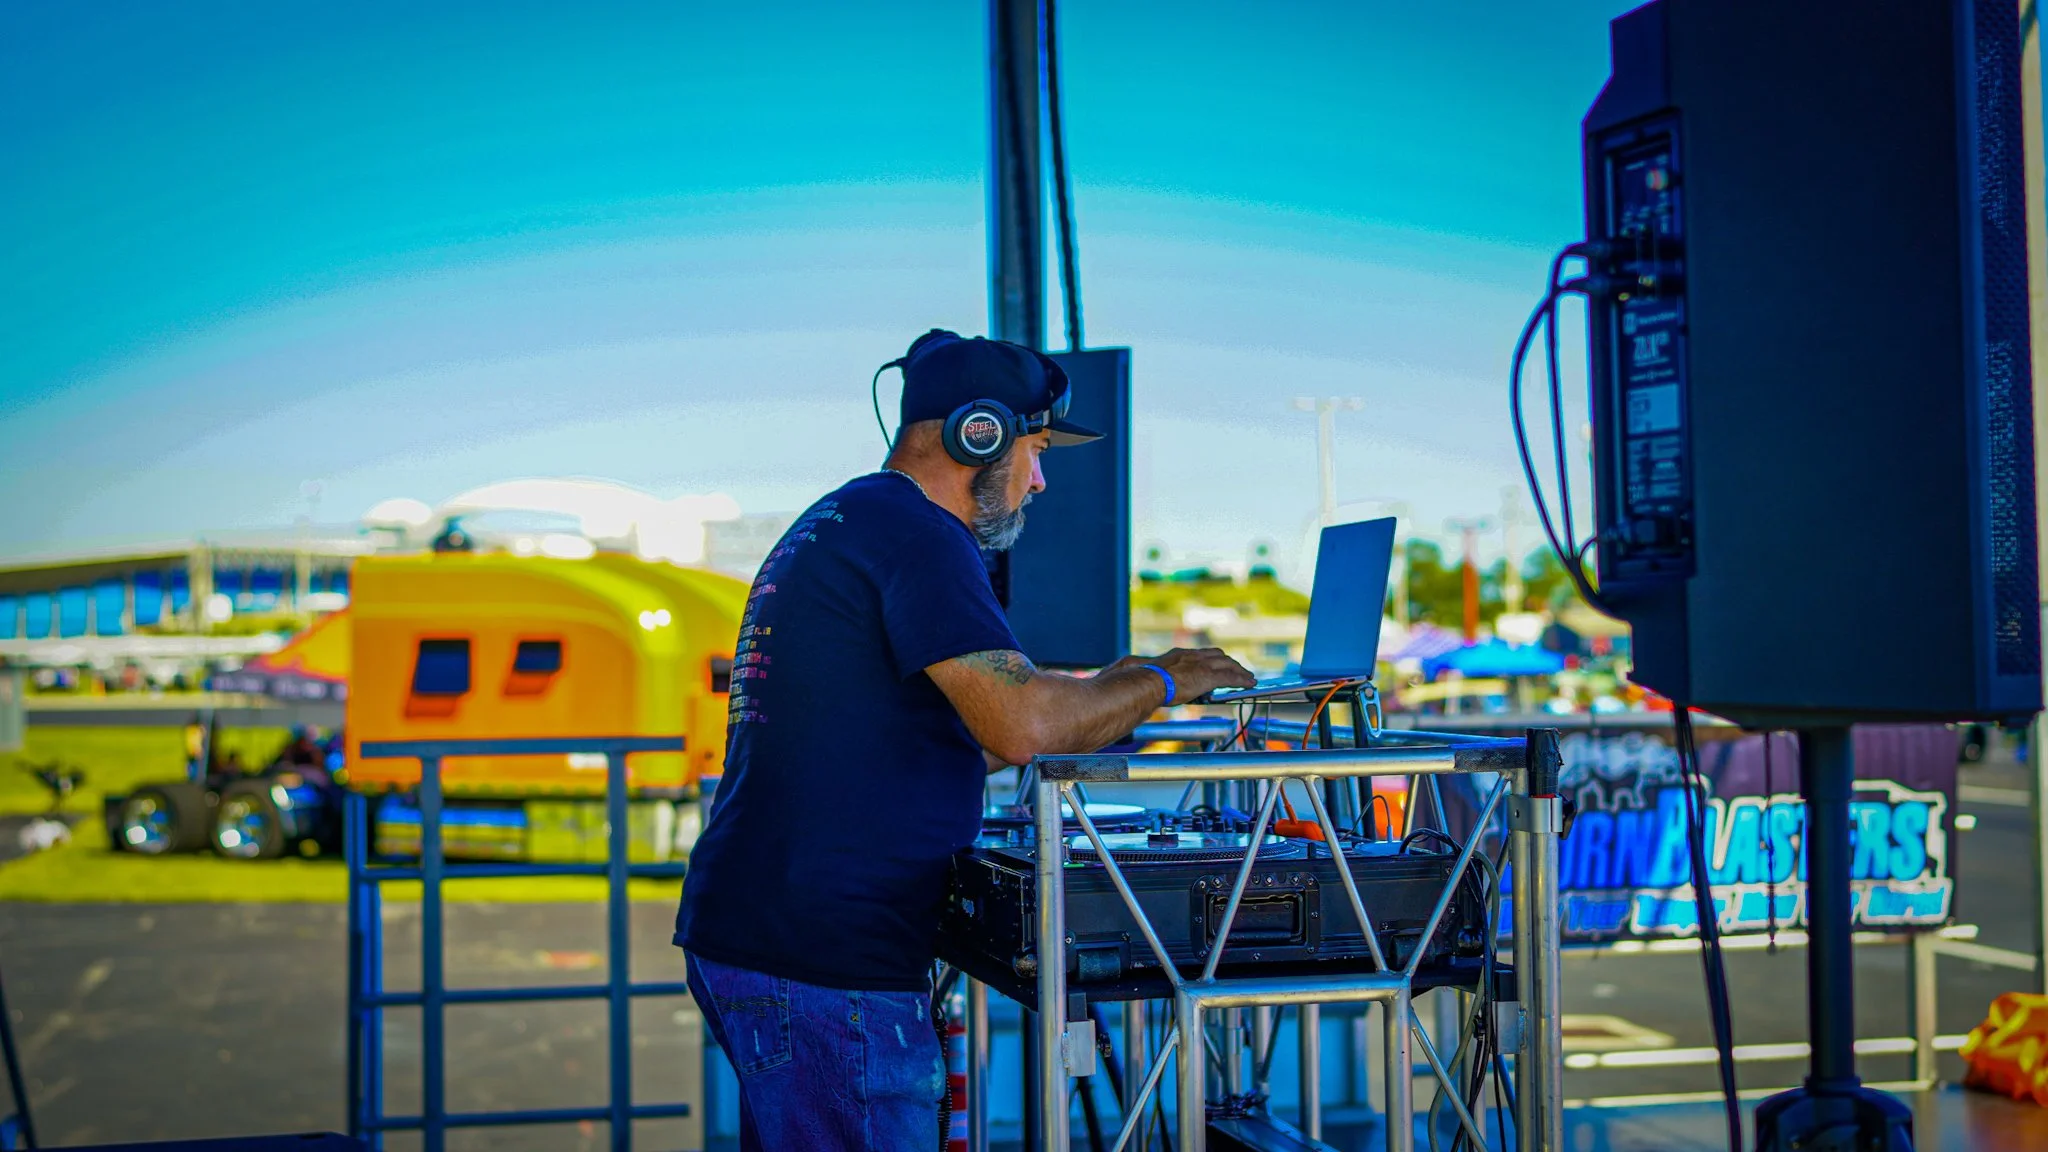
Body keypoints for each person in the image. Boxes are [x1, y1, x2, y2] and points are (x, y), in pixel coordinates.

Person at [674, 329, 1255, 1150]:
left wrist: (1105, 693)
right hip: (825, 958)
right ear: (975, 434)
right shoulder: (919, 534)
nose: (1041, 479)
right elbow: (1024, 726)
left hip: (777, 935)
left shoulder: (854, 516)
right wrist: (1164, 678)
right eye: (1036, 449)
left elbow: (962, 735)